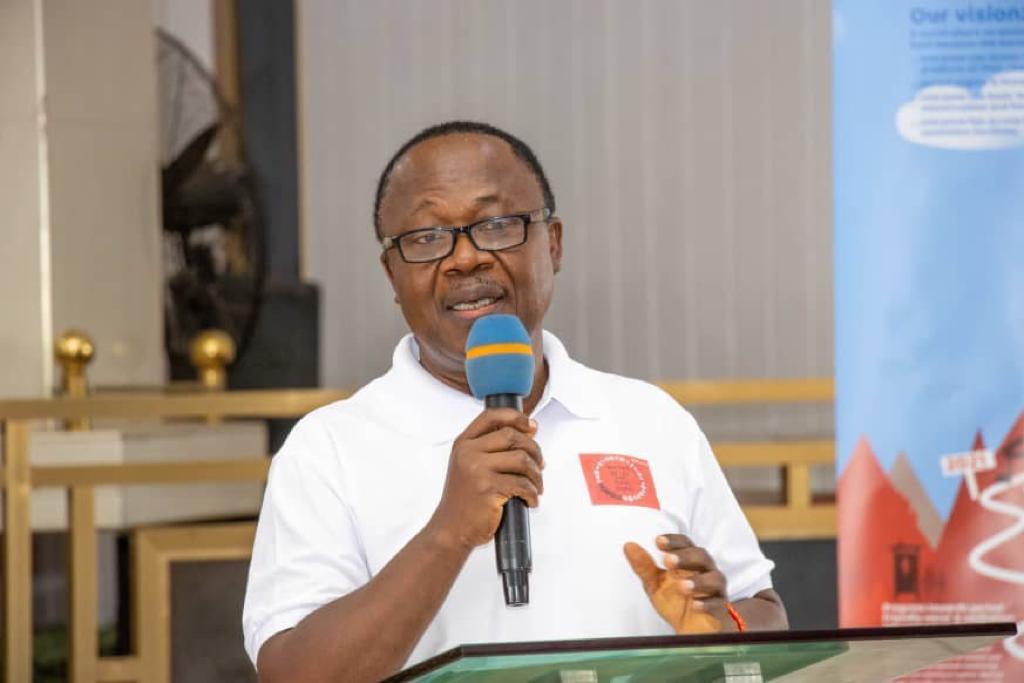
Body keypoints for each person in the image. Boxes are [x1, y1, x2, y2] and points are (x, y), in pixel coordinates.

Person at [242, 121, 787, 682]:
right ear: (392, 272)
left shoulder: (650, 420)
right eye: (427, 238)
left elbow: (764, 615)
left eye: (496, 225)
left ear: (552, 243)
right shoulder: (328, 449)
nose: (464, 259)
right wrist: (448, 532)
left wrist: (720, 633)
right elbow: (292, 674)